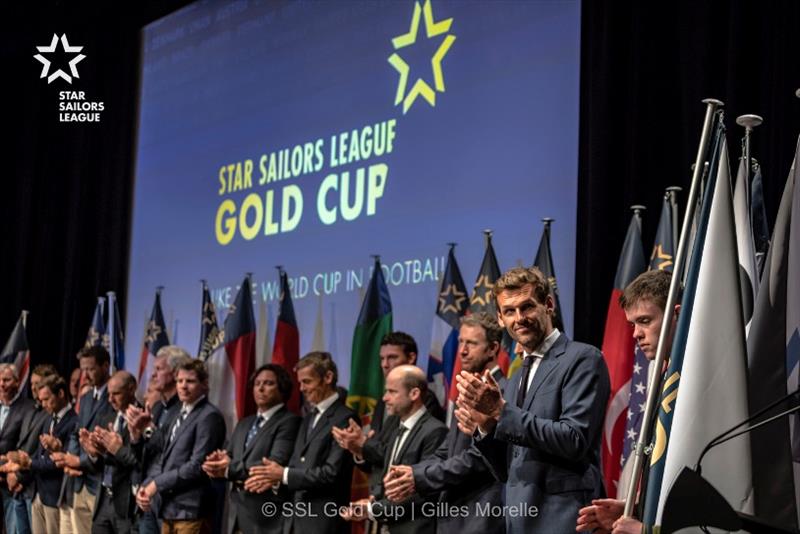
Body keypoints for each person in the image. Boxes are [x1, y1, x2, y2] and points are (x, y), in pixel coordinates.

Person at [456, 266, 611, 534]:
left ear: (548, 305)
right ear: (501, 319)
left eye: (527, 307)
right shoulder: (516, 378)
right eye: (509, 311)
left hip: (564, 520)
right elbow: (508, 469)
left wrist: (502, 414)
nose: (519, 318)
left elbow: (574, 439)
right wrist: (486, 427)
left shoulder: (583, 359)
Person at [575, 269, 679, 534]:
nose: (635, 334)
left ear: (677, 314)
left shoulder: (700, 379)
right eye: (633, 324)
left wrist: (647, 531)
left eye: (645, 321)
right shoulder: (665, 376)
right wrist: (633, 507)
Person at [383, 313, 506, 533]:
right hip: (453, 515)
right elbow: (447, 451)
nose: (462, 351)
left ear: (493, 348)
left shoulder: (500, 394)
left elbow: (478, 459)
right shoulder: (469, 390)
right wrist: (411, 471)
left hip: (480, 516)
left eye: (472, 343)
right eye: (461, 342)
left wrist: (419, 477)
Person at [244, 351, 357, 534]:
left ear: (328, 377)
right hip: (295, 521)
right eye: (300, 383)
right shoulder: (308, 417)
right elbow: (297, 464)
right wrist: (274, 480)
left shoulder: (345, 418)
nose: (302, 388)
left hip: (323, 524)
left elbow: (331, 474)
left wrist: (285, 474)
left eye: (307, 381)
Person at [332, 332, 443, 499]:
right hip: (378, 498)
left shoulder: (424, 401)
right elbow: (378, 460)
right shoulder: (381, 403)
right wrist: (358, 450)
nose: (385, 364)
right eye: (382, 358)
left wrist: (364, 444)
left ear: (411, 357)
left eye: (392, 357)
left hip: (404, 503)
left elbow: (403, 457)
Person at [342, 365, 447, 534]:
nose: (384, 398)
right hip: (387, 526)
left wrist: (373, 509)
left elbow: (424, 492)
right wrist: (373, 499)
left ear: (414, 394)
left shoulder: (435, 431)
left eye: (392, 392)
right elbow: (386, 473)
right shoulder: (395, 425)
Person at [129, 358, 225, 534]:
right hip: (170, 509)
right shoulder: (179, 414)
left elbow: (197, 466)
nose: (183, 386)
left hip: (191, 511)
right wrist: (146, 486)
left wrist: (156, 484)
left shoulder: (209, 416)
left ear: (204, 384)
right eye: (180, 381)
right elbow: (164, 457)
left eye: (190, 381)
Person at [202, 364, 301, 534]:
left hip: (267, 516)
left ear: (283, 389)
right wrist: (217, 462)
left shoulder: (290, 422)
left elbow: (272, 465)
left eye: (268, 383)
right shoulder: (244, 423)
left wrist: (227, 470)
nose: (261, 388)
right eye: (257, 383)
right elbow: (231, 456)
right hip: (237, 512)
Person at [52, 345, 113, 534]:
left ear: (105, 366)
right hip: (79, 483)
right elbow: (75, 433)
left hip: (99, 483)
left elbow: (109, 443)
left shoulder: (114, 396)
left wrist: (79, 461)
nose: (85, 375)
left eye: (91, 369)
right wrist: (71, 458)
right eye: (83, 368)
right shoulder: (86, 397)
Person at [138, 346, 191, 534]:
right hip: (149, 499)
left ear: (176, 373)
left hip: (172, 503)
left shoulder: (185, 410)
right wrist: (136, 433)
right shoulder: (159, 408)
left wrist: (148, 429)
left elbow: (173, 454)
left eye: (159, 369)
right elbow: (148, 452)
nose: (153, 375)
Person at [85, 371, 139, 534]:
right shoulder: (106, 418)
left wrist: (116, 450)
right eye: (109, 394)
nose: (110, 399)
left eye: (116, 394)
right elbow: (98, 465)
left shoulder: (142, 418)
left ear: (131, 389)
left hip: (125, 504)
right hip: (102, 500)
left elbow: (137, 461)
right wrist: (93, 454)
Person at [14, 364, 59, 534]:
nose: (34, 388)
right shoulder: (30, 408)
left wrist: (19, 476)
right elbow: (22, 446)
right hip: (22, 488)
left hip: (34, 484)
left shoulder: (50, 414)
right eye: (32, 384)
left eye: (38, 384)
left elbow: (39, 453)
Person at [0, 363, 35, 534]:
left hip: (12, 481)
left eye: (6, 380)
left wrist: (14, 473)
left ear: (17, 382)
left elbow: (26, 446)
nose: (2, 384)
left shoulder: (28, 407)